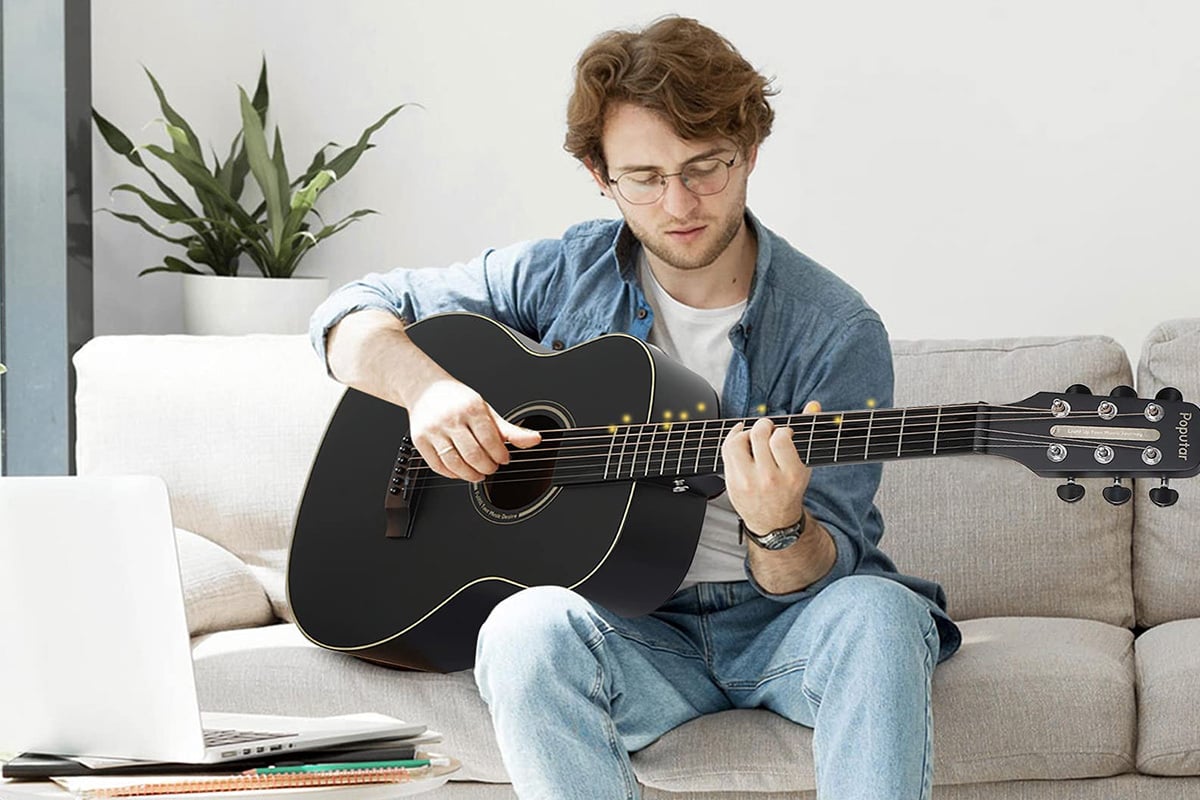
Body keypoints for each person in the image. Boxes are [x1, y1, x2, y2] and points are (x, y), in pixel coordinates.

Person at [310, 15, 960, 800]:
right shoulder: (563, 271)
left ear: (749, 151)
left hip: (785, 627)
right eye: (644, 178)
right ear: (600, 174)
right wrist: (429, 391)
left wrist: (779, 524)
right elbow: (354, 309)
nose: (678, 202)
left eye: (704, 168)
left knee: (881, 616)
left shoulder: (836, 330)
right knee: (522, 628)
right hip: (629, 631)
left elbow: (813, 572)